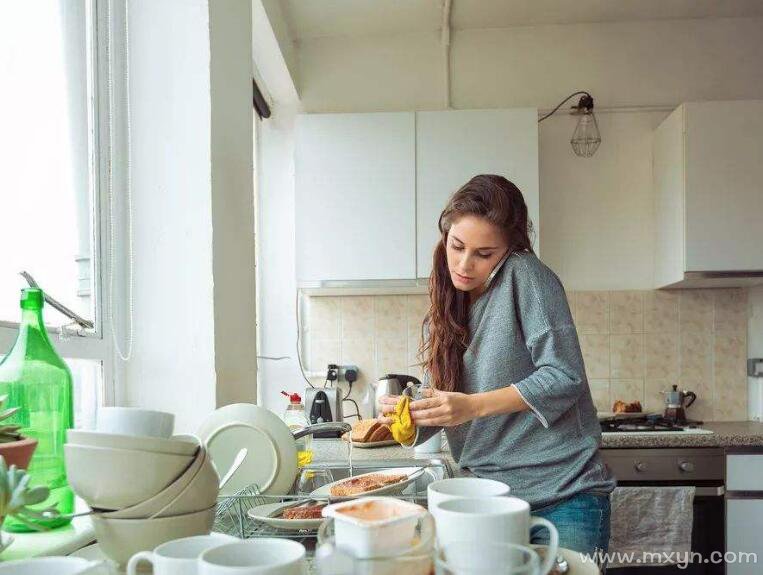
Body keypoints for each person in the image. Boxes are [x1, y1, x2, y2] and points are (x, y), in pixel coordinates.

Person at [379, 174, 616, 558]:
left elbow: (564, 375)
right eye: (456, 247)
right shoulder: (447, 304)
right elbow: (445, 408)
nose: (464, 264)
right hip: (487, 500)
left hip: (563, 496)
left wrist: (472, 406)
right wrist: (408, 419)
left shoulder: (526, 275)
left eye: (484, 254)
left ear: (509, 250)